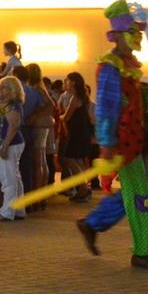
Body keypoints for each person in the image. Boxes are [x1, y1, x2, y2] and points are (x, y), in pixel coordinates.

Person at [75, 0, 148, 270]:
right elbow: (105, 108)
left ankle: (92, 224)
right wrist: (106, 144)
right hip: (122, 142)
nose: (139, 36)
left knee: (133, 193)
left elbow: (133, 98)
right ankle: (143, 252)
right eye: (134, 32)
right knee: (140, 197)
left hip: (132, 139)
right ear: (118, 36)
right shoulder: (110, 67)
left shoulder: (127, 65)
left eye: (139, 32)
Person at [0, 75, 26, 221]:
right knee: (14, 176)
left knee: (7, 178)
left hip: (10, 143)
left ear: (11, 89)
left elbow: (13, 126)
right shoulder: (9, 103)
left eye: (3, 88)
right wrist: (2, 93)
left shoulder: (13, 106)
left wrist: (5, 145)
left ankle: (7, 211)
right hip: (12, 143)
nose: (0, 90)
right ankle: (19, 209)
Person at [19, 64, 55, 212]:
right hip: (43, 126)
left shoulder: (36, 89)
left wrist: (34, 115)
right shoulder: (40, 87)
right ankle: (42, 197)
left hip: (39, 127)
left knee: (38, 161)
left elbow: (50, 105)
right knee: (42, 161)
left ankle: (38, 196)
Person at [61, 71, 94, 202]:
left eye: (68, 81)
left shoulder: (75, 98)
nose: (66, 83)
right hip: (82, 132)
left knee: (69, 160)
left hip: (76, 133)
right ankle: (82, 189)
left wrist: (59, 116)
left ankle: (84, 188)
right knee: (78, 161)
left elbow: (66, 117)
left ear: (73, 82)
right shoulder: (83, 96)